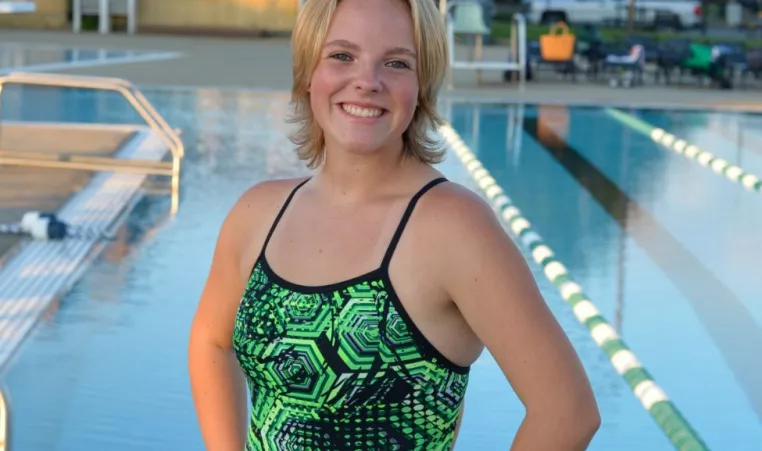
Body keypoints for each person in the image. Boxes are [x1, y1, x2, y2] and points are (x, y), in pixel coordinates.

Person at [188, 0, 601, 449]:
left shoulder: (452, 228)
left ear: (421, 85)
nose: (367, 81)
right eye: (342, 55)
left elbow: (567, 409)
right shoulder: (259, 213)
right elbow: (211, 341)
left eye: (396, 62)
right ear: (309, 71)